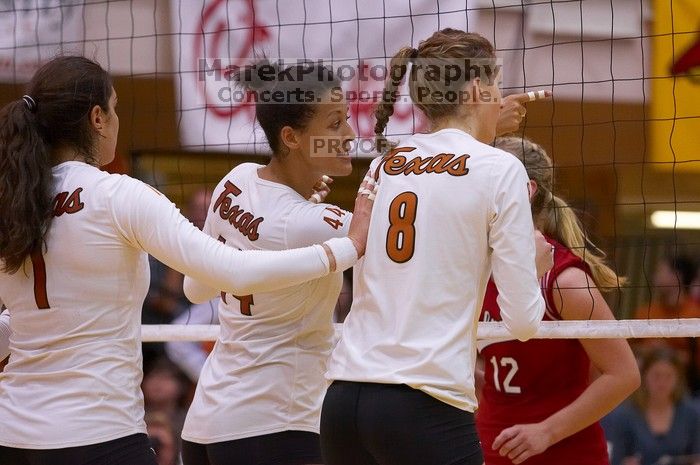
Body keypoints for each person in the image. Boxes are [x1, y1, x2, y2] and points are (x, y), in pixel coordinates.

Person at [0, 55, 373, 465]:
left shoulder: (13, 202)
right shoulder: (119, 195)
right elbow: (226, 273)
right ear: (98, 118)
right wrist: (347, 247)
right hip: (98, 434)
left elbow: (15, 321)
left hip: (14, 433)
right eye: (116, 107)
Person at [321, 28, 553, 465]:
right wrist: (534, 269)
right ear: (480, 89)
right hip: (423, 404)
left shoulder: (387, 162)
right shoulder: (501, 170)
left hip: (343, 401)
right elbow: (523, 322)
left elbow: (449, 169)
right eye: (497, 85)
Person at [179, 59, 357, 465]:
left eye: (346, 119)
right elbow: (408, 230)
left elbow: (195, 287)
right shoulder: (313, 223)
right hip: (274, 427)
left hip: (204, 425)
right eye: (334, 125)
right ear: (292, 136)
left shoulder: (236, 180)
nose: (350, 136)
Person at [476, 136, 640, 465]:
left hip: (563, 453)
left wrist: (546, 431)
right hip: (490, 448)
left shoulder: (566, 282)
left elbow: (624, 375)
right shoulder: (476, 267)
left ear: (524, 191)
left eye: (485, 180)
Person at [603, 347, 700, 465]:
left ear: (678, 379)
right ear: (644, 376)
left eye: (668, 376)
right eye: (656, 375)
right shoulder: (625, 414)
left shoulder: (692, 413)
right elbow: (616, 460)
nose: (662, 382)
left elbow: (697, 456)